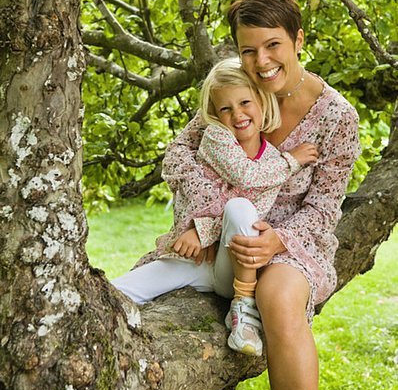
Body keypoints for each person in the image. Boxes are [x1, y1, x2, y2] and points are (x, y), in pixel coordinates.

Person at [160, 0, 361, 390]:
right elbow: (177, 156)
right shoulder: (239, 90)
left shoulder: (337, 117)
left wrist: (278, 239)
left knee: (278, 298)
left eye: (274, 45)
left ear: (299, 40)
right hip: (225, 229)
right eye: (249, 50)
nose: (262, 60)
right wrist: (205, 216)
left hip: (293, 239)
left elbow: (324, 207)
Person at [112, 58, 318, 357]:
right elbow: (240, 176)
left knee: (241, 209)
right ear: (216, 116)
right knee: (120, 291)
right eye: (226, 108)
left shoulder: (273, 161)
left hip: (230, 266)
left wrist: (206, 232)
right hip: (194, 260)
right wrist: (292, 161)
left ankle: (244, 308)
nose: (237, 114)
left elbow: (251, 209)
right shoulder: (217, 138)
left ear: (262, 102)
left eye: (245, 102)